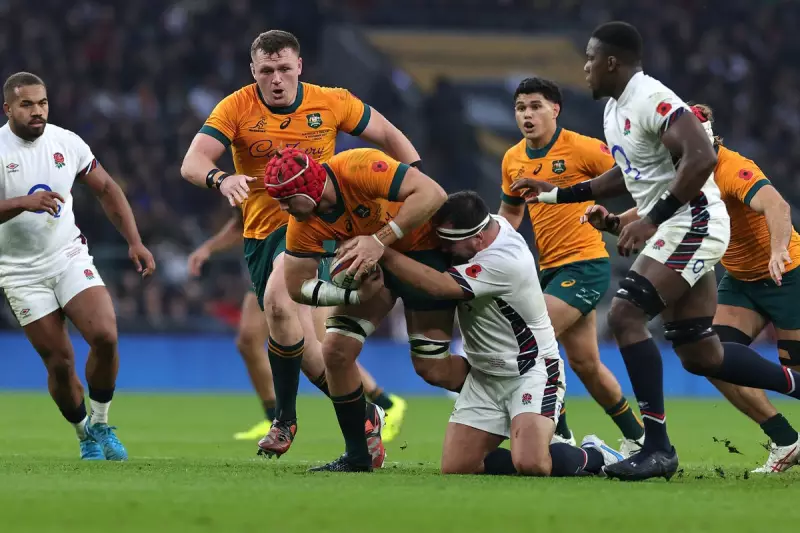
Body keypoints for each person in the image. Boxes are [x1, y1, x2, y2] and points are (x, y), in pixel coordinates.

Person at [512, 21, 800, 481]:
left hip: (696, 222)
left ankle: (657, 447)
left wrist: (650, 219)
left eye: (589, 59)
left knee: (625, 315)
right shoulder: (614, 109)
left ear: (611, 62)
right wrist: (555, 194)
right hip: (683, 226)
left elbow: (702, 154)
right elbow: (626, 176)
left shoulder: (651, 97)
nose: (583, 67)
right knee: (699, 352)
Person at [180, 30, 418, 456]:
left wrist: (416, 183)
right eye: (267, 70)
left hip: (320, 228)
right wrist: (221, 178)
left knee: (277, 300)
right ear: (253, 71)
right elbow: (192, 162)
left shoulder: (331, 101)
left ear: (299, 67)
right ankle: (367, 413)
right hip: (262, 235)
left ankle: (284, 421)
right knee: (312, 352)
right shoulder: (236, 107)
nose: (276, 78)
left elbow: (390, 135)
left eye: (284, 69)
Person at [584, 104, 800, 473]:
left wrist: (778, 248)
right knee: (709, 357)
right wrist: (615, 221)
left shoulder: (731, 167)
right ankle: (785, 438)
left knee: (794, 372)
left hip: (788, 274)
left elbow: (776, 205)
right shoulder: (682, 172)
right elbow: (658, 207)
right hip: (740, 281)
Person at [380, 191, 624, 476]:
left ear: (478, 240)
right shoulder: (489, 226)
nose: (443, 250)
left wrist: (382, 250)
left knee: (532, 464)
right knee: (458, 467)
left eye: (450, 243)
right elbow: (509, 210)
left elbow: (439, 286)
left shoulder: (505, 261)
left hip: (531, 371)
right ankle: (538, 443)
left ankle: (595, 455)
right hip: (484, 377)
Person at [265, 147, 467, 472]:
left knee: (432, 369)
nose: (283, 207)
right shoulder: (302, 224)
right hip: (373, 272)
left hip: (422, 253)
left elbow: (432, 193)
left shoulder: (357, 166)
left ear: (309, 187)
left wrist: (379, 239)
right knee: (335, 351)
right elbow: (297, 286)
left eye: (287, 199)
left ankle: (508, 391)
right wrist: (355, 297)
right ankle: (358, 456)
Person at [0, 72, 156, 460]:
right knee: (60, 363)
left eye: (43, 103)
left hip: (67, 255)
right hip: (19, 272)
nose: (38, 112)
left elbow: (107, 188)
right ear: (8, 108)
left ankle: (101, 422)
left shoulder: (66, 142)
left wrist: (134, 241)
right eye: (27, 105)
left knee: (105, 335)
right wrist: (22, 202)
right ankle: (83, 433)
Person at [498, 76, 644, 455]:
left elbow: (630, 176)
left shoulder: (581, 148)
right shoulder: (512, 159)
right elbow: (511, 213)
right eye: (520, 108)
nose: (527, 115)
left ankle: (559, 433)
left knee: (529, 338)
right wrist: (493, 244)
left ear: (554, 110)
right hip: (547, 270)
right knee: (585, 363)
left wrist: (613, 214)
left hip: (585, 264)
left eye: (535, 107)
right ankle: (639, 438)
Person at [187, 213, 408, 442]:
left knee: (318, 347)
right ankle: (273, 416)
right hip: (265, 258)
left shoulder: (283, 184)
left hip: (298, 249)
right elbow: (240, 220)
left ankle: (383, 403)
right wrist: (209, 247)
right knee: (248, 339)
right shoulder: (245, 184)